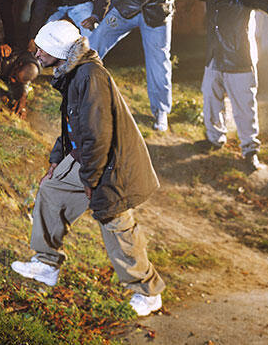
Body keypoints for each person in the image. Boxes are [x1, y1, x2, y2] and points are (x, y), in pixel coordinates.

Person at [10, 20, 165, 317]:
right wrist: (58, 158)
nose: (37, 53)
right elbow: (72, 125)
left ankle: (147, 291)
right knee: (52, 190)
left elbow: (99, 133)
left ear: (57, 49)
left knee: (116, 225)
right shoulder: (73, 72)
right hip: (86, 157)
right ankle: (46, 264)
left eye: (42, 48)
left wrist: (90, 179)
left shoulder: (90, 76)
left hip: (110, 163)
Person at [88, 0, 198, 132]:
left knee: (160, 62)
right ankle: (76, 81)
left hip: (157, 15)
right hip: (128, 7)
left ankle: (161, 112)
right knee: (97, 39)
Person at [202, 0, 268, 169]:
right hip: (215, 55)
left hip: (239, 59)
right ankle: (214, 139)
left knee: (244, 108)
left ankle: (250, 150)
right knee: (210, 98)